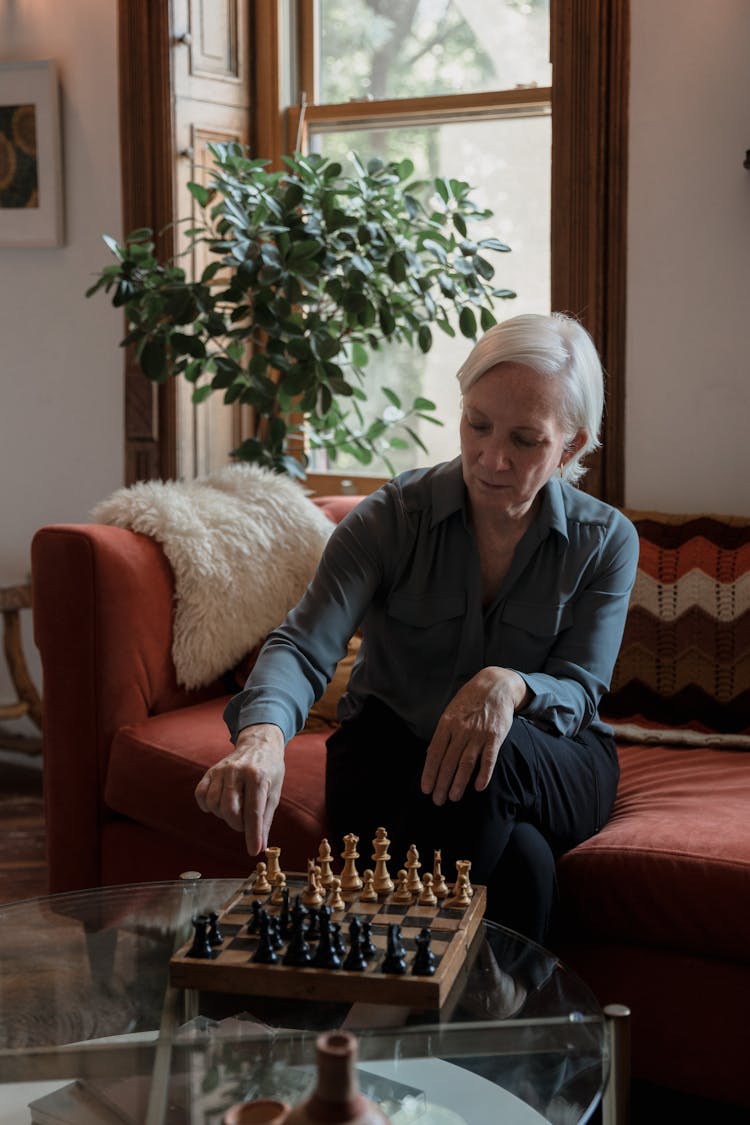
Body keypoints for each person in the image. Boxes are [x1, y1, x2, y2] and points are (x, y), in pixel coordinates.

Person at [195, 312, 639, 943]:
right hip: (393, 751)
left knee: (497, 748)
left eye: (525, 440)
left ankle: (376, 984)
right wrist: (262, 738)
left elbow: (578, 688)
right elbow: (304, 643)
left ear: (570, 445)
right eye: (477, 425)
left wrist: (511, 687)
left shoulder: (606, 540)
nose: (491, 457)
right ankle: (504, 1028)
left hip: (550, 756)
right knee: (525, 864)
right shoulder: (389, 519)